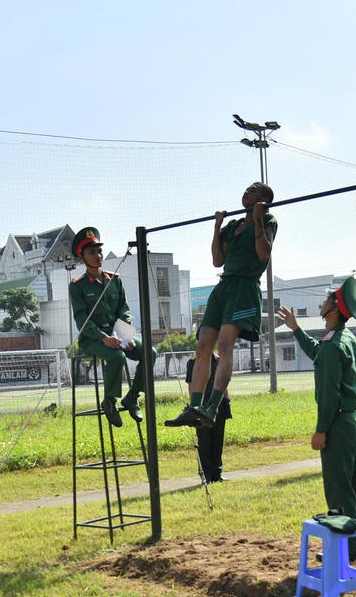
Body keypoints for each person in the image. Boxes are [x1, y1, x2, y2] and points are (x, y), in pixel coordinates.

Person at [166, 182, 275, 428]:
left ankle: (212, 406)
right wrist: (216, 226)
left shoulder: (268, 220)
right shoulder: (233, 226)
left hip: (244, 287)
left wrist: (258, 220)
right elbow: (217, 260)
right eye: (246, 188)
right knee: (203, 345)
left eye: (254, 189)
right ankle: (194, 407)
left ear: (264, 199)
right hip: (224, 286)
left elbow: (263, 254)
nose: (247, 190)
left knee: (225, 345)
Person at [277, 277, 356, 560]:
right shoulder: (344, 339)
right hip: (352, 421)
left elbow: (328, 396)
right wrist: (296, 329)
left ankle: (344, 549)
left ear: (334, 309)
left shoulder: (333, 346)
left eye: (328, 299)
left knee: (338, 490)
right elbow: (318, 353)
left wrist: (321, 430)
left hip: (337, 425)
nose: (324, 301)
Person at [68, 226, 155, 426]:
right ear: (82, 257)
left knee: (150, 352)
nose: (98, 255)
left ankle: (132, 397)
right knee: (117, 357)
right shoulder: (78, 286)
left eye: (99, 251)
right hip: (92, 339)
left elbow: (123, 310)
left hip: (117, 333)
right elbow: (82, 320)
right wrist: (103, 338)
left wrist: (127, 336)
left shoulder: (114, 280)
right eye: (92, 252)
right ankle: (109, 402)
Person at [185, 353, 230, 482]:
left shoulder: (219, 360)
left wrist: (227, 403)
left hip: (218, 405)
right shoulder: (194, 362)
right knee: (204, 441)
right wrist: (194, 407)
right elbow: (191, 386)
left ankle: (217, 473)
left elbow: (224, 384)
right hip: (202, 406)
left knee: (218, 439)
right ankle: (206, 475)